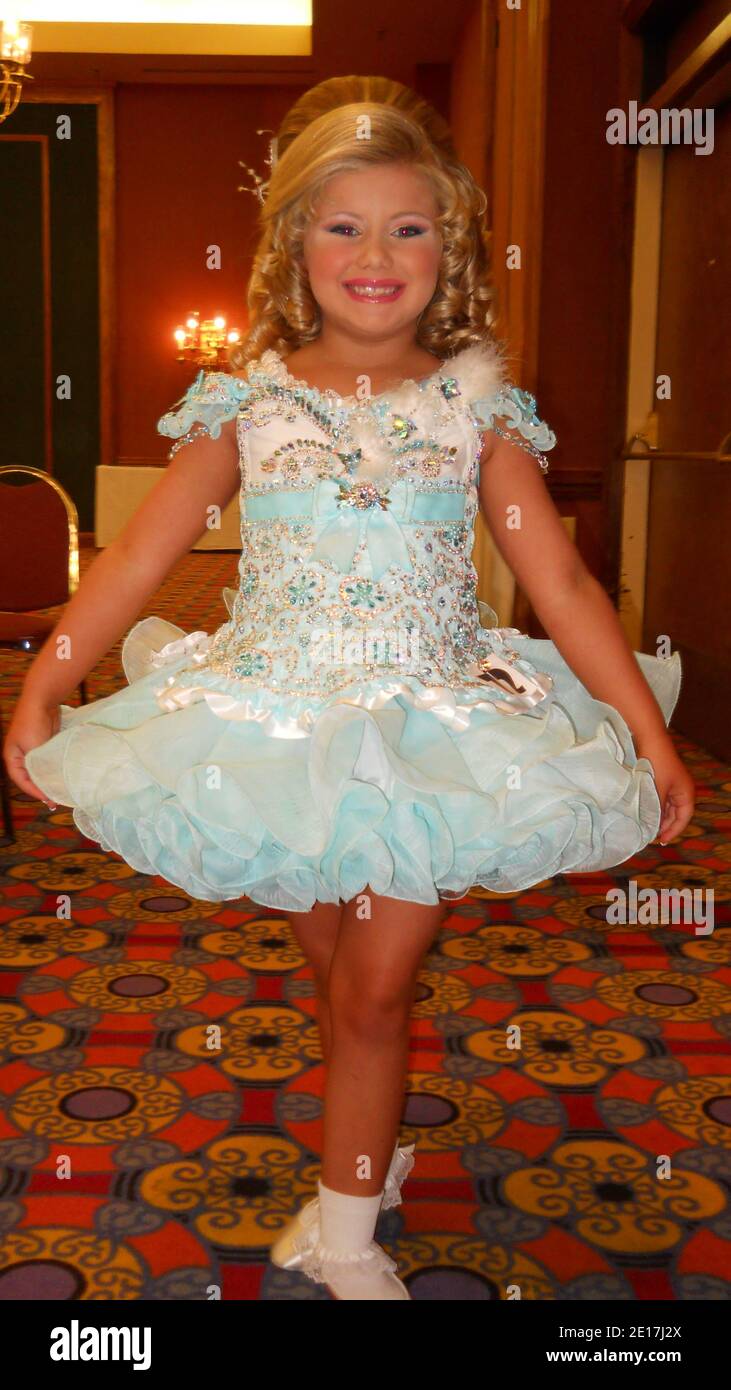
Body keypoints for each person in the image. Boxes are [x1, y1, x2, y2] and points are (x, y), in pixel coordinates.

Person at [3, 75, 695, 1300]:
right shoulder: (246, 406)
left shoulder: (474, 411)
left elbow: (569, 591)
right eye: (343, 225)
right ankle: (365, 1149)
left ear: (452, 249)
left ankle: (344, 1234)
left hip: (427, 733)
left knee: (375, 988)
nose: (375, 254)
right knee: (338, 976)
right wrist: (44, 687)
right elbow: (139, 558)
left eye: (408, 227)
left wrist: (644, 730)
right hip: (271, 729)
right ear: (293, 245)